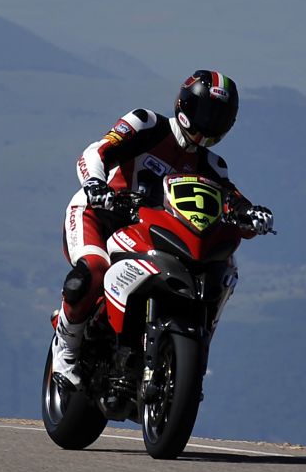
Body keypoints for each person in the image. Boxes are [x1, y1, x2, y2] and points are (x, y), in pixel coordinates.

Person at [52, 69, 273, 388]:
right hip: (99, 214)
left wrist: (250, 213)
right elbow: (96, 152)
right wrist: (97, 186)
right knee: (93, 270)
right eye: (204, 112)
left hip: (150, 230)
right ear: (184, 104)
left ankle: (173, 351)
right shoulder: (146, 124)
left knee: (215, 267)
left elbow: (231, 198)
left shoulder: (213, 165)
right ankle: (66, 354)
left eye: (219, 117)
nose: (209, 122)